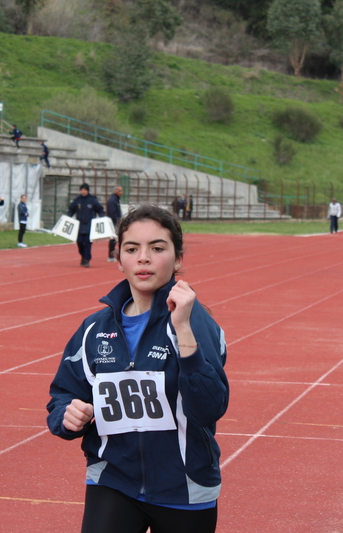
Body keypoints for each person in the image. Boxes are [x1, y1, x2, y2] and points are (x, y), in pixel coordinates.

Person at [46, 205, 229, 533]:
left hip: (184, 488)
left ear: (178, 259)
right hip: (113, 479)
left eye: (157, 248)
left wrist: (183, 330)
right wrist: (67, 415)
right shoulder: (93, 329)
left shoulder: (199, 324)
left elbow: (209, 408)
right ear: (119, 260)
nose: (143, 258)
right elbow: (64, 394)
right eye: (132, 249)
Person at [67, 183, 104, 268]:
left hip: (89, 226)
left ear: (87, 191)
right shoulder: (77, 200)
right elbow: (71, 210)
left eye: (85, 190)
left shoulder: (92, 200)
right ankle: (83, 256)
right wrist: (68, 218)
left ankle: (87, 260)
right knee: (79, 242)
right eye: (82, 190)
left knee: (87, 243)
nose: (83, 191)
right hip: (79, 226)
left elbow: (100, 209)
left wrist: (102, 218)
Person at [106, 185, 123, 263]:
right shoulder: (112, 201)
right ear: (115, 191)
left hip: (116, 222)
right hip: (113, 222)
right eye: (120, 191)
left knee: (115, 239)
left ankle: (113, 254)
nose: (121, 193)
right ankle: (111, 255)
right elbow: (112, 213)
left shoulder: (116, 200)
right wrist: (117, 221)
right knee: (113, 239)